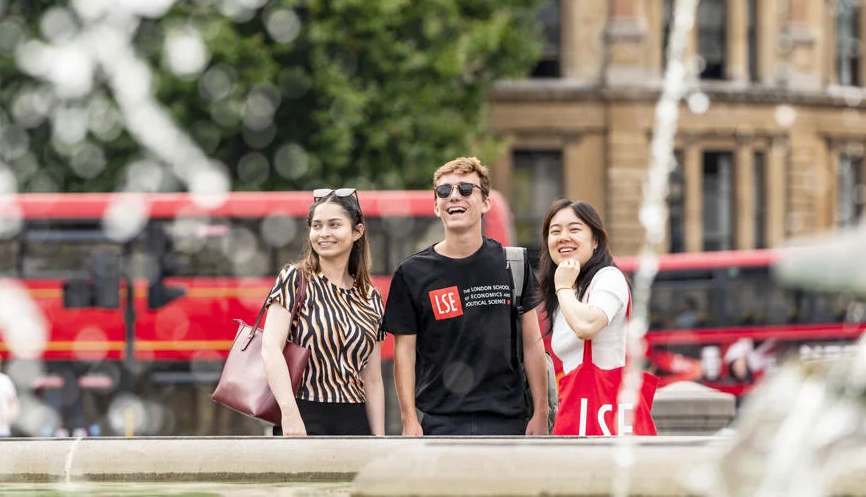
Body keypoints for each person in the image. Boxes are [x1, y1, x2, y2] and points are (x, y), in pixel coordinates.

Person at [383, 157, 549, 436]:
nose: (454, 197)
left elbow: (533, 345)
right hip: (440, 422)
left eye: (466, 189)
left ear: (485, 203)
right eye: (444, 191)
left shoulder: (515, 264)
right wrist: (409, 420)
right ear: (436, 206)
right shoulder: (412, 273)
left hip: (507, 421)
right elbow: (405, 352)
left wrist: (541, 413)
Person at [261, 188, 385, 436]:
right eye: (316, 226)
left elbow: (372, 379)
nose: (323, 233)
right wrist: (289, 413)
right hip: (304, 414)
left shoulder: (371, 298)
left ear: (357, 231)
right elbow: (269, 348)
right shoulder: (294, 279)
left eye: (334, 225)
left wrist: (379, 438)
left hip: (355, 419)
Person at [538, 199, 639, 432]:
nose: (563, 237)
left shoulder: (608, 277)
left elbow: (586, 326)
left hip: (603, 414)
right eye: (555, 231)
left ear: (595, 241)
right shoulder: (567, 291)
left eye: (574, 229)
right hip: (575, 407)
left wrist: (562, 287)